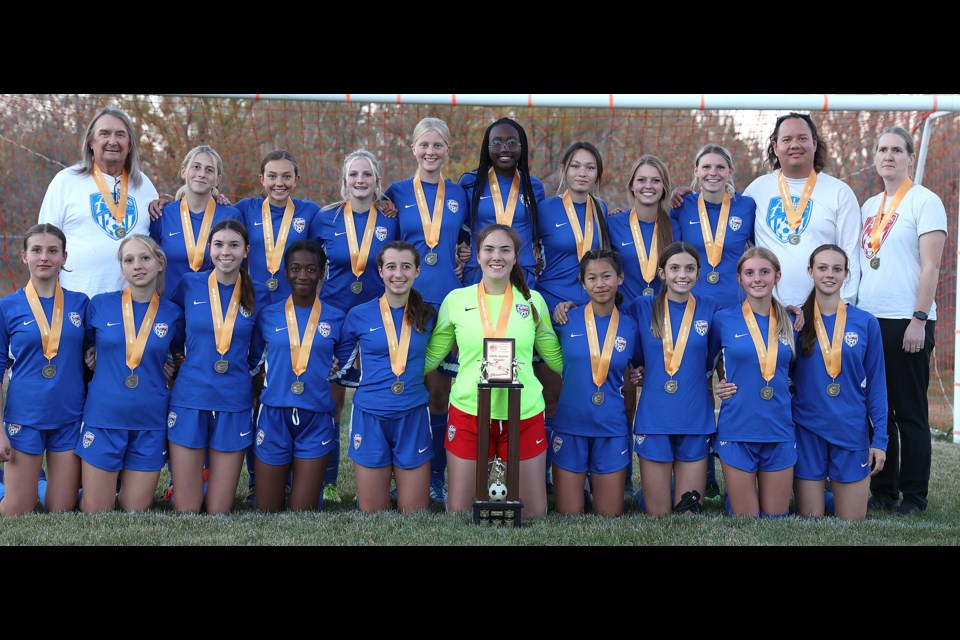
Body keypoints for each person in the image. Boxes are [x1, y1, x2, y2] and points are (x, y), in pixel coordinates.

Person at [425, 224, 562, 520]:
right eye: (488, 249)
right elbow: (431, 356)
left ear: (515, 258)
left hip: (523, 413)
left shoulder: (533, 302)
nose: (496, 256)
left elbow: (556, 357)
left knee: (533, 514)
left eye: (504, 250)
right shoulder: (456, 300)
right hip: (469, 412)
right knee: (461, 513)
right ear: (477, 256)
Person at [857, 126, 947, 516]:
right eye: (882, 149)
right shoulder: (868, 206)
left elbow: (931, 266)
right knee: (878, 410)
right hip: (870, 321)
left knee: (908, 412)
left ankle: (914, 496)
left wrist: (919, 318)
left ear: (910, 157)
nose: (888, 155)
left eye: (897, 149)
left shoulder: (925, 201)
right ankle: (883, 490)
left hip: (906, 320)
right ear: (874, 157)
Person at [384, 118, 469, 504]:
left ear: (448, 150)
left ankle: (437, 476)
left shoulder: (461, 192)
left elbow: (465, 237)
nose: (431, 152)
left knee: (441, 394)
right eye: (424, 145)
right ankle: (393, 471)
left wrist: (464, 253)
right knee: (401, 388)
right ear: (413, 148)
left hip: (450, 303)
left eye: (438, 146)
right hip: (408, 302)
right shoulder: (396, 192)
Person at [311, 149, 400, 505]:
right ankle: (329, 481)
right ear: (344, 180)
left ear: (378, 180)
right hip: (334, 318)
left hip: (380, 321)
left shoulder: (392, 217)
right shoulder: (324, 217)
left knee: (385, 398)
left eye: (367, 174)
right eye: (353, 175)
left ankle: (395, 478)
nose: (360, 181)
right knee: (331, 402)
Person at [235, 150, 323, 503]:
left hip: (294, 316)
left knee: (294, 391)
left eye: (286, 176)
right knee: (256, 392)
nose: (279, 183)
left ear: (297, 180)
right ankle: (260, 478)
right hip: (249, 311)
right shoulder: (244, 208)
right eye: (272, 176)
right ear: (261, 179)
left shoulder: (310, 212)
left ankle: (310, 478)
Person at [671, 144, 757, 499]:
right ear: (696, 169)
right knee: (698, 385)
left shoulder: (746, 206)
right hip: (695, 309)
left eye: (720, 167)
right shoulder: (683, 205)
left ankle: (739, 466)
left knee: (734, 387)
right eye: (706, 166)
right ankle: (702, 473)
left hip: (735, 313)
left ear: (730, 172)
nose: (712, 173)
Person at [77, 234, 184, 513]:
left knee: (134, 510)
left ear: (160, 263)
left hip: (150, 420)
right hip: (104, 417)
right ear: (122, 268)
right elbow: (86, 349)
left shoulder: (173, 313)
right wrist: (92, 360)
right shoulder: (99, 305)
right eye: (129, 260)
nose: (137, 265)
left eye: (145, 258)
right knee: (96, 511)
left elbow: (179, 356)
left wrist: (170, 370)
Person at [334, 241, 436, 513]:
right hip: (370, 415)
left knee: (414, 513)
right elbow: (343, 369)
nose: (398, 274)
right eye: (391, 267)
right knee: (372, 512)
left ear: (417, 270)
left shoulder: (428, 316)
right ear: (380, 271)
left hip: (412, 414)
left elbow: (445, 360)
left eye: (406, 267)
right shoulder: (359, 315)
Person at [166, 220, 258, 514]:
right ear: (209, 249)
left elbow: (260, 351)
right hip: (190, 397)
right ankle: (189, 484)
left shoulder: (258, 294)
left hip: (234, 399)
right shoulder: (189, 284)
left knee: (219, 510)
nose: (225, 252)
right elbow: (172, 330)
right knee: (187, 509)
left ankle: (205, 483)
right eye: (218, 245)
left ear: (246, 251)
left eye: (234, 245)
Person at [535, 142, 611, 490]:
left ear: (598, 173)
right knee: (553, 395)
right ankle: (550, 473)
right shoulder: (543, 209)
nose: (583, 173)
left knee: (587, 390)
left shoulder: (603, 209)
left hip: (591, 314)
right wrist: (549, 307)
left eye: (590, 167)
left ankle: (593, 472)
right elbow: (531, 262)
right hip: (554, 314)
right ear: (564, 169)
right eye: (576, 166)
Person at [248, 240, 344, 513]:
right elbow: (255, 365)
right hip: (274, 414)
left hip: (315, 416)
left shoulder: (337, 318)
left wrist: (334, 368)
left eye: (311, 269)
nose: (303, 275)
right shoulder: (268, 315)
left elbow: (345, 365)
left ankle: (308, 487)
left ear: (322, 273)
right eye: (296, 268)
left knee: (303, 511)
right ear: (286, 272)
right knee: (267, 509)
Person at [793, 244, 887, 521]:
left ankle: (835, 493)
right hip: (807, 429)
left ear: (846, 274)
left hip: (850, 428)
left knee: (852, 521)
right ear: (810, 271)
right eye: (822, 268)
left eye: (837, 269)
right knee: (811, 517)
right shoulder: (795, 320)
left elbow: (877, 385)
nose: (829, 274)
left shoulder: (866, 322)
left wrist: (879, 439)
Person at [0, 224, 89, 516]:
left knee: (60, 509)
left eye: (52, 251)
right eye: (36, 250)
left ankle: (35, 482)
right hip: (25, 416)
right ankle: (13, 486)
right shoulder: (7, 307)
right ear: (23, 256)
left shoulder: (80, 303)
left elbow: (97, 352)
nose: (44, 258)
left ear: (64, 257)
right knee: (16, 510)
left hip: (68, 416)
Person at [629, 242, 719, 516]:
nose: (683, 274)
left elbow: (714, 357)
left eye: (690, 268)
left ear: (698, 273)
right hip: (655, 417)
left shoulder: (711, 309)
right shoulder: (642, 307)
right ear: (662, 273)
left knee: (689, 512)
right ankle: (650, 493)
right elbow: (632, 354)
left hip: (694, 416)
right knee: (658, 514)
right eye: (675, 268)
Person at [550, 249, 639, 516]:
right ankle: (582, 492)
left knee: (609, 515)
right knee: (569, 514)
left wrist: (639, 374)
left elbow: (642, 368)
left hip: (611, 428)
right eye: (592, 278)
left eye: (606, 276)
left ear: (620, 278)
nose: (600, 284)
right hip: (570, 426)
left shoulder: (631, 326)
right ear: (583, 282)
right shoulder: (564, 320)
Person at [38, 106, 160, 299]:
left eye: (120, 135)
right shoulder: (66, 181)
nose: (112, 141)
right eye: (104, 133)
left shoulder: (143, 184)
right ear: (91, 142)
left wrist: (210, 194)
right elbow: (43, 244)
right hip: (78, 302)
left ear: (130, 144)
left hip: (133, 305)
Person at [709, 247, 796, 517]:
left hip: (778, 428)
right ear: (740, 279)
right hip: (738, 429)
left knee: (775, 517)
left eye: (764, 272)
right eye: (749, 273)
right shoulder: (723, 319)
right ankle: (731, 498)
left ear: (777, 276)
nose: (757, 279)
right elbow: (703, 366)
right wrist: (718, 384)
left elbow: (800, 373)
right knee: (747, 518)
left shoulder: (793, 320)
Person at [742, 113, 862, 309]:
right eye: (787, 139)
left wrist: (845, 304)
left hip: (823, 309)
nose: (794, 145)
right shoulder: (756, 190)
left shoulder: (840, 192)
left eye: (802, 138)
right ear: (775, 147)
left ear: (814, 144)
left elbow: (850, 252)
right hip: (769, 309)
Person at [458, 117, 545, 286]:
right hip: (479, 270)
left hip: (522, 271)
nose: (504, 149)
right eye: (497, 143)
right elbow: (458, 225)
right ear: (487, 147)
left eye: (512, 142)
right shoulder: (470, 183)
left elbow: (538, 231)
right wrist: (465, 248)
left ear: (522, 147)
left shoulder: (533, 186)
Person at [149, 145, 242, 298]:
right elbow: (151, 264)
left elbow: (240, 265)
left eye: (209, 170)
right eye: (196, 167)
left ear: (217, 179)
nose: (202, 174)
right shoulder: (162, 214)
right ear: (184, 171)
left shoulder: (231, 215)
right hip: (170, 308)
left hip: (216, 309)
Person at [605, 155, 680, 301]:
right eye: (641, 180)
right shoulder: (612, 223)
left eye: (656, 180)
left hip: (662, 316)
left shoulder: (675, 227)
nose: (648, 186)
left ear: (664, 187)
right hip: (623, 317)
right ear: (632, 185)